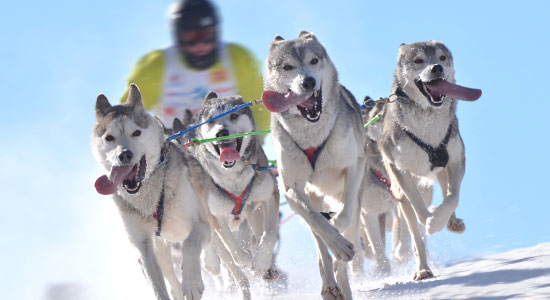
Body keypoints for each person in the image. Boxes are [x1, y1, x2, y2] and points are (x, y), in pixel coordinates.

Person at [120, 0, 269, 137]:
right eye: (191, 37)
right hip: (174, 154)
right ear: (178, 37)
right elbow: (127, 117)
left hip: (227, 148)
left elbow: (260, 107)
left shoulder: (238, 59)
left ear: (216, 32)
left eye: (207, 35)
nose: (200, 44)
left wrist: (256, 144)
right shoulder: (156, 66)